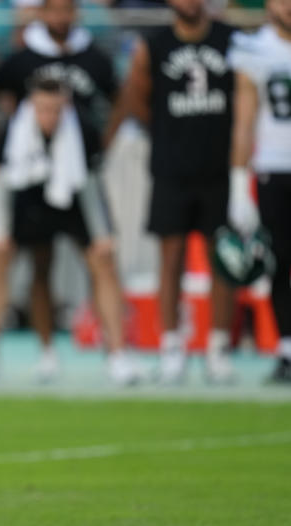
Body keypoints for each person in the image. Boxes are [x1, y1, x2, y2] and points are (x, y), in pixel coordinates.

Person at [0, 0, 138, 384]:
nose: (60, 17)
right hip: (22, 175)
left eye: (67, 10)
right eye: (52, 10)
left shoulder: (95, 59)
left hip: (78, 177)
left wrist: (101, 144)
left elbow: (120, 100)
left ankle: (119, 356)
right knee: (5, 255)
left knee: (102, 257)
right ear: (41, 13)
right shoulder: (21, 60)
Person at [114, 0, 237, 384]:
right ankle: (171, 347)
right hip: (171, 168)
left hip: (218, 168)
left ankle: (217, 348)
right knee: (170, 258)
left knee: (224, 260)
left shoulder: (228, 40)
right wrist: (167, 134)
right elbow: (137, 96)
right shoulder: (153, 45)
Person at [228, 0, 291, 383]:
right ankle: (287, 348)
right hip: (272, 167)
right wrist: (239, 183)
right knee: (279, 263)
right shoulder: (254, 48)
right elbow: (244, 120)